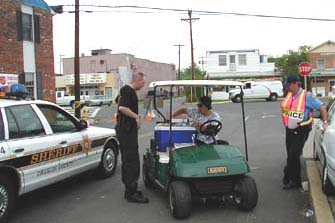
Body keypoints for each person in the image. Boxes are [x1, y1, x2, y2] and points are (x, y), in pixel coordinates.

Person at [281, 74, 328, 190]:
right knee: (291, 155)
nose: (287, 87)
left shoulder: (306, 96)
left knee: (293, 155)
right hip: (289, 129)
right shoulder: (290, 95)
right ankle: (289, 175)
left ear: (296, 84)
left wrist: (325, 122)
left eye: (288, 85)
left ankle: (295, 181)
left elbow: (321, 106)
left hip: (301, 129)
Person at [116, 72, 149, 203]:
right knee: (131, 161)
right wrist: (136, 117)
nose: (144, 85)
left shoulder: (126, 91)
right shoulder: (127, 90)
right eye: (143, 82)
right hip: (126, 132)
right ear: (138, 80)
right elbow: (122, 108)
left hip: (127, 131)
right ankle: (131, 193)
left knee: (129, 160)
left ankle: (130, 190)